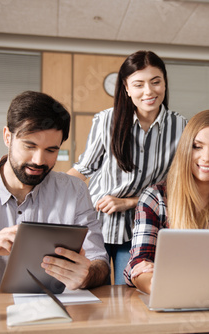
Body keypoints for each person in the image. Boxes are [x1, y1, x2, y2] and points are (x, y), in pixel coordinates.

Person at [0, 91, 110, 290]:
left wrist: (87, 276)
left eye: (51, 150)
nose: (39, 160)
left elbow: (99, 260)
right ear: (7, 137)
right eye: (29, 146)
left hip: (58, 312)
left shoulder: (75, 190)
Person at [67, 51, 187, 285]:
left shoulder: (181, 126)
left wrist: (130, 201)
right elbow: (83, 170)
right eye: (138, 84)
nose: (149, 92)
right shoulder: (106, 121)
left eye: (156, 82)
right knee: (93, 295)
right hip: (96, 225)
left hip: (141, 230)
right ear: (126, 88)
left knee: (132, 294)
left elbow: (178, 184)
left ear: (164, 83)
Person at [123, 109, 209, 294]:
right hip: (172, 296)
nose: (206, 158)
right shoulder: (155, 197)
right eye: (197, 146)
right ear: (186, 147)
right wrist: (157, 284)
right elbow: (139, 265)